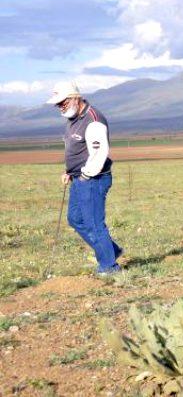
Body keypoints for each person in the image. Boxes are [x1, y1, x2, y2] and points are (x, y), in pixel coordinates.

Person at [47, 81, 123, 274]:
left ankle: (109, 267)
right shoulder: (73, 119)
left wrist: (85, 176)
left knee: (94, 223)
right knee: (75, 219)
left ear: (75, 97)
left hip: (93, 179)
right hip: (78, 178)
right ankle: (111, 251)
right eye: (58, 104)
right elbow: (77, 150)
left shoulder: (93, 119)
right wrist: (69, 171)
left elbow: (100, 153)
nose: (60, 107)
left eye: (62, 102)